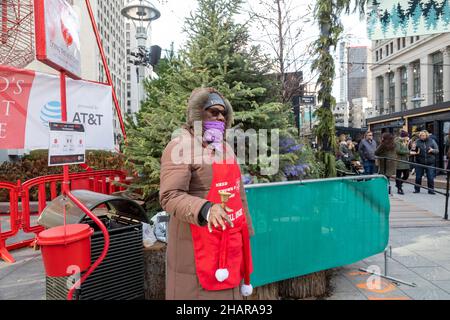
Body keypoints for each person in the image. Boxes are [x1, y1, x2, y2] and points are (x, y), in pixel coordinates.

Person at [159, 88, 254, 300]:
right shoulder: (180, 146)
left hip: (229, 241)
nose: (220, 117)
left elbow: (238, 192)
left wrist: (245, 229)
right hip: (195, 247)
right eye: (213, 112)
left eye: (223, 113)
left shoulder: (225, 148)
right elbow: (170, 196)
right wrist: (206, 209)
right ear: (197, 114)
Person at [412, 130, 439, 194]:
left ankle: (431, 190)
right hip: (419, 162)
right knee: (418, 177)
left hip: (430, 162)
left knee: (430, 177)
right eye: (420, 135)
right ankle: (417, 189)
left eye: (423, 135)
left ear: (426, 135)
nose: (422, 136)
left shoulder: (432, 141)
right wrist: (413, 148)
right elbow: (413, 150)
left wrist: (432, 150)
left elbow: (437, 150)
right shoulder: (417, 141)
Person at [395, 130, 411, 195]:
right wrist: (408, 152)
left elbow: (406, 150)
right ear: (404, 136)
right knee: (398, 175)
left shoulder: (405, 142)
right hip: (399, 161)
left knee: (406, 175)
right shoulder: (397, 142)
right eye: (407, 136)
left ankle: (399, 184)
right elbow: (398, 151)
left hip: (405, 161)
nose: (408, 138)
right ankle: (399, 189)